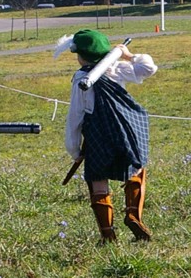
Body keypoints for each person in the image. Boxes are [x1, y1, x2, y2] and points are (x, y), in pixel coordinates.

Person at [55, 29, 158, 243]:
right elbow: (148, 67)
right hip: (124, 131)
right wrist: (129, 56)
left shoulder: (81, 80)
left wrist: (74, 149)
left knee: (97, 178)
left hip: (98, 135)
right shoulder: (117, 69)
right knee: (136, 168)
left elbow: (75, 117)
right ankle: (133, 215)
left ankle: (108, 234)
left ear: (79, 56)